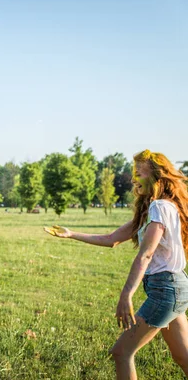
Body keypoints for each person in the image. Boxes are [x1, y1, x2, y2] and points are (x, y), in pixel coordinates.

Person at [45, 150, 188, 379]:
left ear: (156, 176)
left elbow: (146, 255)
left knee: (122, 353)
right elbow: (111, 239)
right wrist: (71, 234)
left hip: (166, 290)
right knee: (183, 357)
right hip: (175, 287)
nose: (133, 179)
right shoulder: (157, 209)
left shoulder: (159, 208)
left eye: (139, 173)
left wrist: (126, 295)